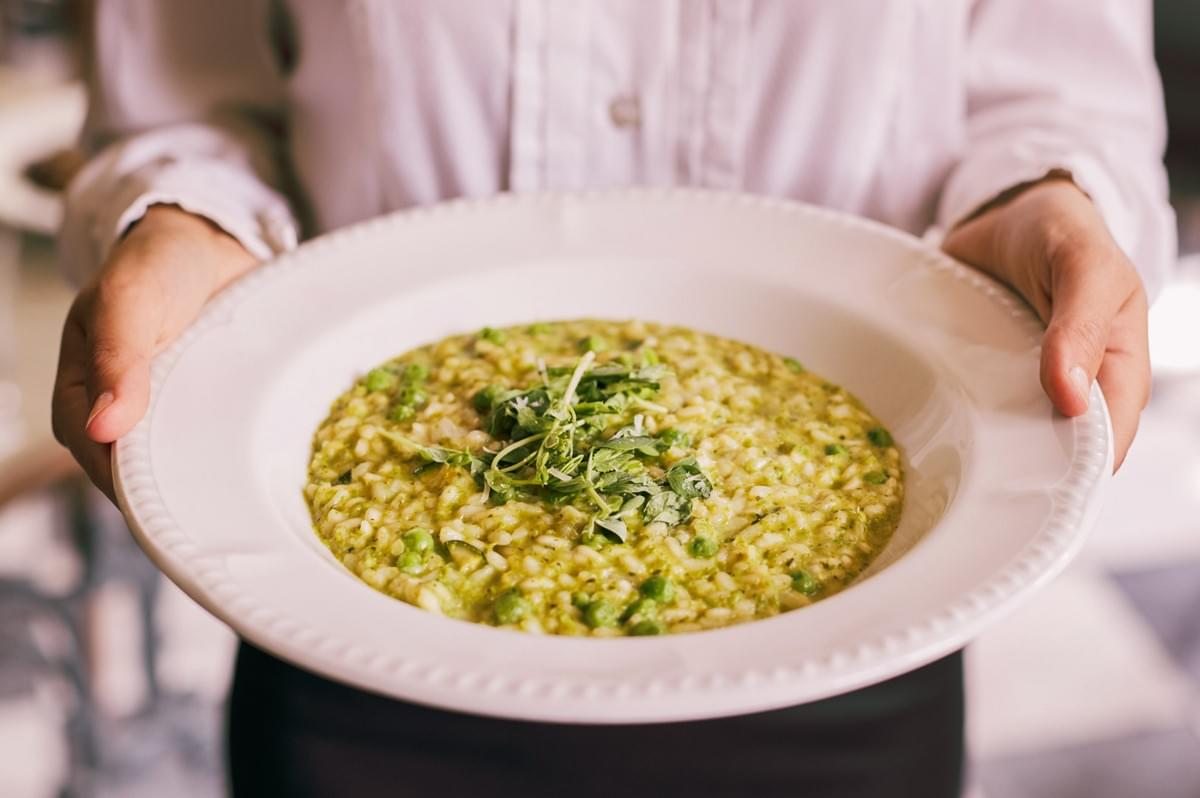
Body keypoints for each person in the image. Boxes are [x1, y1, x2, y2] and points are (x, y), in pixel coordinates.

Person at [52, 2, 1174, 796]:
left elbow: (1054, 87)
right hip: (359, 678)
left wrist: (1049, 205)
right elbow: (187, 103)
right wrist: (182, 222)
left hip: (853, 673)